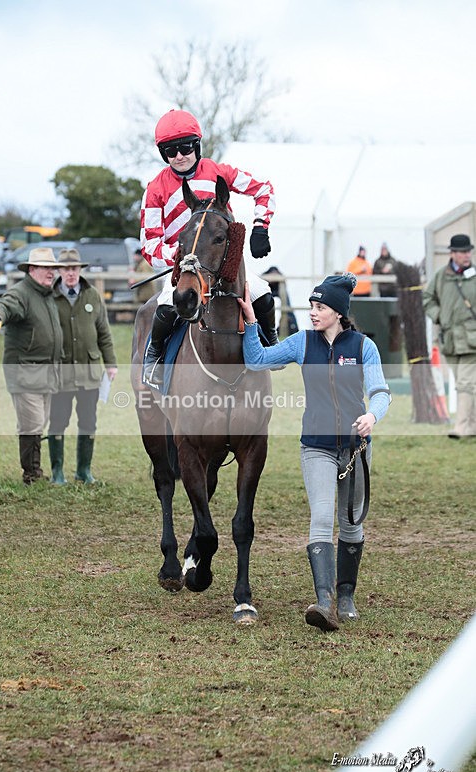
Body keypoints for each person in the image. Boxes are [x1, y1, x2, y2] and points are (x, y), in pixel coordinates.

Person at [237, 273, 391, 632]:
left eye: (320, 307)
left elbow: (381, 391)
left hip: (355, 450)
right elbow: (257, 360)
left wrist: (372, 415)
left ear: (338, 312)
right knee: (322, 518)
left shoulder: (363, 346)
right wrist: (250, 323)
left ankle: (347, 596)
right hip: (316, 448)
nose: (313, 313)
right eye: (311, 306)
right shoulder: (302, 343)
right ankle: (324, 602)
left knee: (351, 523)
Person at [140, 108, 278, 386]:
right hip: (183, 269)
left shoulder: (219, 172)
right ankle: (154, 358)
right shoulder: (155, 189)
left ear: (196, 145)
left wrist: (260, 227)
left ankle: (272, 348)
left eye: (184, 147)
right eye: (170, 150)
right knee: (167, 306)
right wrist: (178, 257)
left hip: (223, 262)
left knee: (263, 295)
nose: (179, 155)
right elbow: (149, 244)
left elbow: (263, 189)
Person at [0, 247, 63, 484]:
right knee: (32, 424)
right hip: (25, 372)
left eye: (52, 268)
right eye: (45, 268)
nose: (51, 273)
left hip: (46, 372)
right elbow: (6, 305)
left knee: (40, 422)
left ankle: (34, 470)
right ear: (32, 270)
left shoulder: (47, 294)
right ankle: (31, 474)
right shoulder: (22, 293)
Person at [48, 248, 118, 484]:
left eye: (74, 269)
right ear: (59, 271)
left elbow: (104, 333)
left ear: (80, 270)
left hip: (90, 371)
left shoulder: (92, 295)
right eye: (66, 269)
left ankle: (83, 471)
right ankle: (57, 472)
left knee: (88, 421)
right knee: (58, 421)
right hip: (61, 372)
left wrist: (111, 364)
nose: (70, 274)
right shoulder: (50, 296)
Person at [422, 233, 476, 439]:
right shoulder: (440, 276)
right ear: (452, 253)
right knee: (466, 384)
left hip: (472, 339)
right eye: (462, 251)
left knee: (465, 383)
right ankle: (472, 426)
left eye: (468, 251)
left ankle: (460, 427)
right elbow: (428, 298)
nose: (466, 255)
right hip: (450, 340)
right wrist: (438, 316)